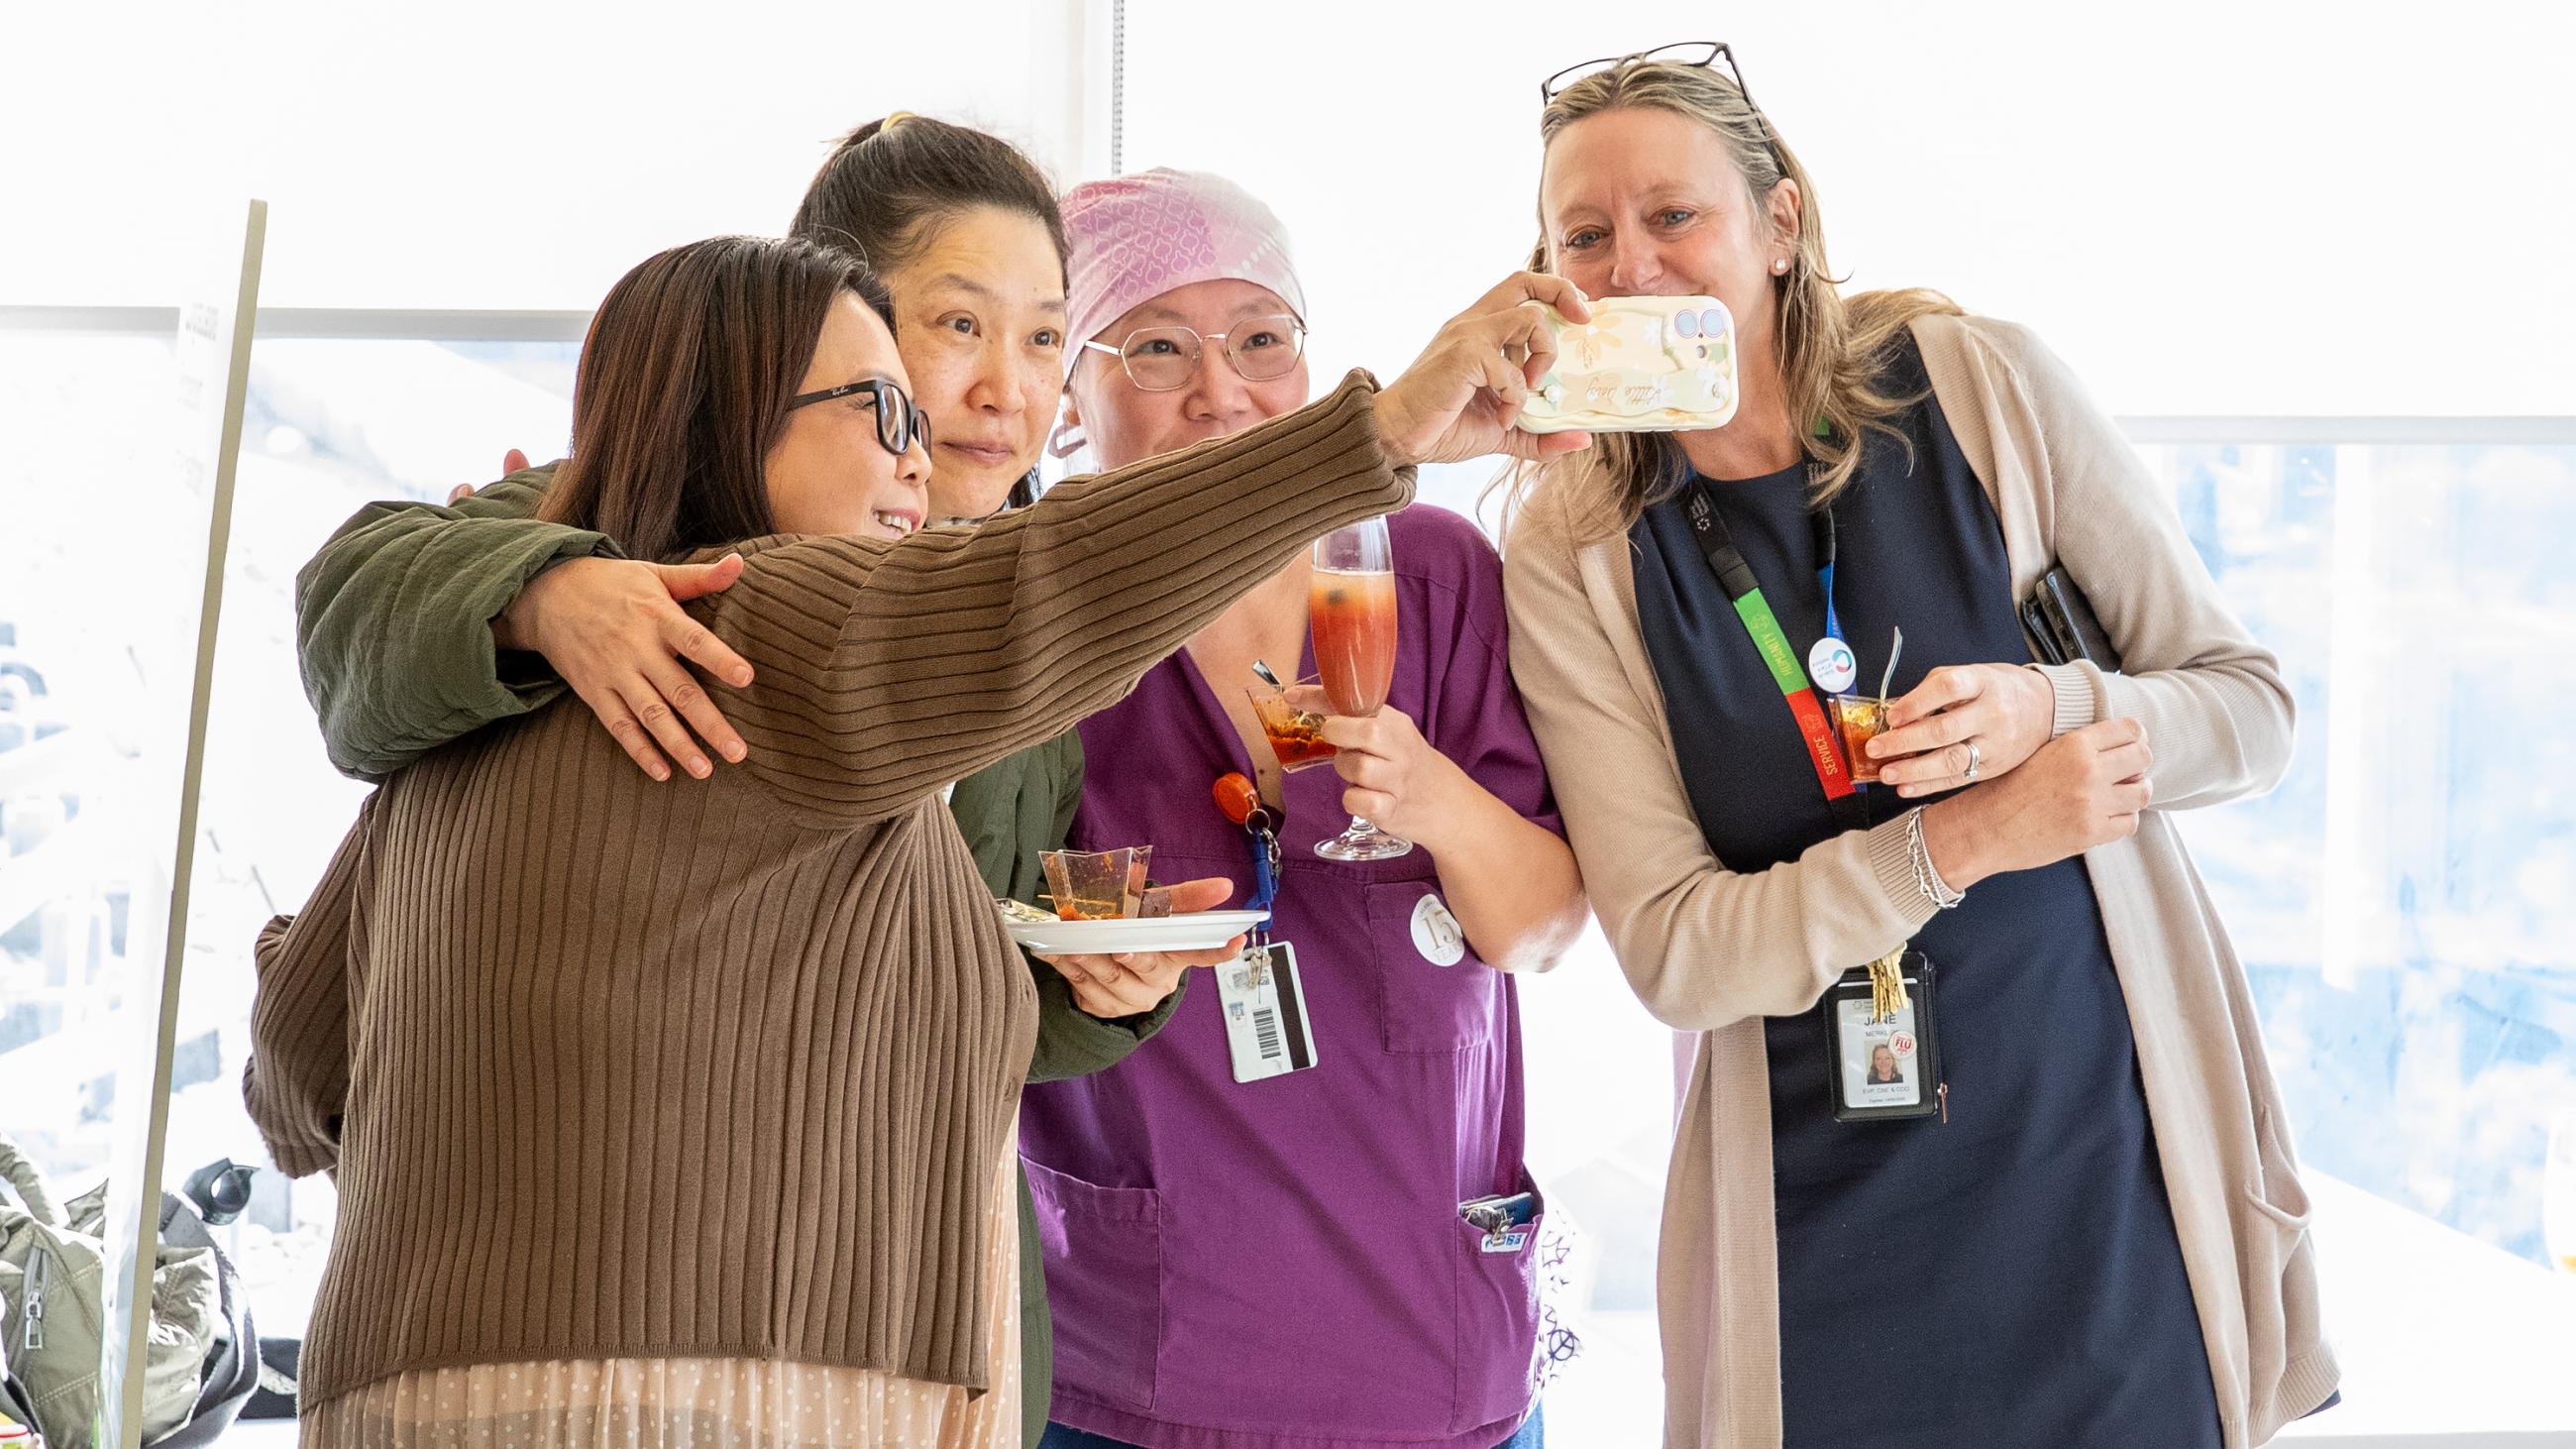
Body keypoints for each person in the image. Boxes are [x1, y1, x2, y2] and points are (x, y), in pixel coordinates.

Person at [280, 114, 1319, 1448]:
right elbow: (357, 597)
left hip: (908, 1317)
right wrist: (541, 590)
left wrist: (1099, 990)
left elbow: (936, 998)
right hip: (682, 1343)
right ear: (822, 328)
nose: (1008, 390)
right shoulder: (629, 551)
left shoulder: (1026, 668)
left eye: (1045, 338)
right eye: (958, 327)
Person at [1500, 43, 2338, 1449]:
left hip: (2103, 1188)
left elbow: (2249, 711)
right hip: (1819, 1233)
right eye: (1584, 237)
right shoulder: (1573, 546)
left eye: (1673, 215)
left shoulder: (1979, 386)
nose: (1629, 266)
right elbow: (1676, 952)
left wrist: (2055, 707)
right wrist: (1963, 840)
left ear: (1780, 222)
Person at [1020, 169, 1583, 1449]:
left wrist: (1435, 798)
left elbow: (1543, 928)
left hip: (1431, 1345)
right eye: (1156, 348)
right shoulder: (1031, 612)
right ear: (1070, 392)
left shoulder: (1424, 571)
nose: (1220, 391)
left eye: (1261, 340)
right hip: (1151, 1353)